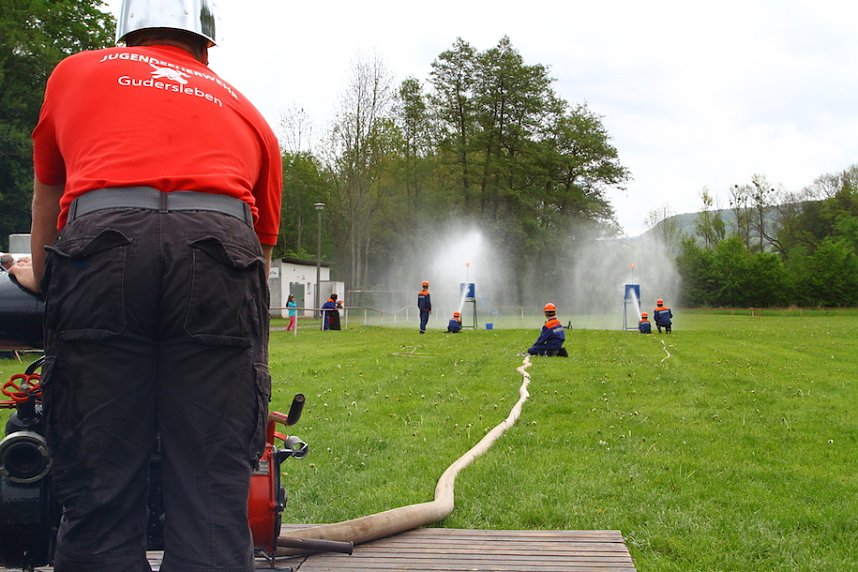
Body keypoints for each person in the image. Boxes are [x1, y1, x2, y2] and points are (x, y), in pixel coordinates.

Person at [9, 2, 282, 570]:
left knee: (99, 479)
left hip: (102, 243)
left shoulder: (77, 70)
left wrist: (41, 272)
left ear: (126, 34)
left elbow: (48, 197)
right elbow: (260, 255)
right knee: (211, 494)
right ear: (206, 46)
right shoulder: (250, 113)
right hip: (222, 251)